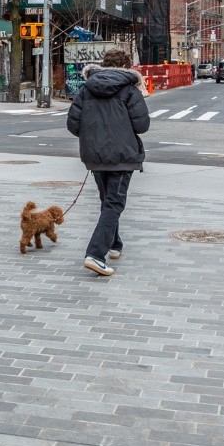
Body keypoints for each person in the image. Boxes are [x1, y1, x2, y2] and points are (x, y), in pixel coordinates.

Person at [65, 48, 150, 277]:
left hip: (95, 156)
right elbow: (142, 126)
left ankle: (114, 244)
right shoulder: (130, 91)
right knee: (114, 203)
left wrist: (94, 136)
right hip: (122, 156)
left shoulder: (86, 89)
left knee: (107, 200)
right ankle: (95, 254)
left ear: (104, 64)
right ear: (127, 66)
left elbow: (73, 125)